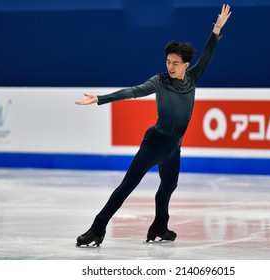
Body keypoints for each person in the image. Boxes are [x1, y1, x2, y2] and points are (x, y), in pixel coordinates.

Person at [75, 4, 232, 246]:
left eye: (176, 62)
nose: (170, 66)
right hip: (155, 142)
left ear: (186, 64)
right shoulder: (160, 81)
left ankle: (159, 226)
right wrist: (101, 98)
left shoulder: (193, 78)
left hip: (173, 146)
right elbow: (134, 91)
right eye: (168, 61)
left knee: (169, 185)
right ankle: (97, 228)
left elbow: (208, 54)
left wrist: (217, 28)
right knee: (128, 185)